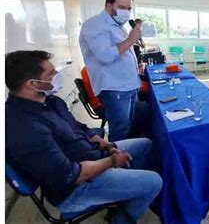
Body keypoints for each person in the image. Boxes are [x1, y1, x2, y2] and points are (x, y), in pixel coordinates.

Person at [5, 50, 162, 223]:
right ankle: (122, 219)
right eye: (51, 73)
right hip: (77, 188)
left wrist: (107, 146)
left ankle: (125, 192)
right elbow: (71, 176)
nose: (57, 75)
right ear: (32, 83)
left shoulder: (50, 101)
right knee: (154, 182)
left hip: (92, 156)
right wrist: (112, 162)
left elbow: (80, 128)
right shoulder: (24, 127)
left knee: (146, 144)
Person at [79, 0, 142, 142]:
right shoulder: (94, 25)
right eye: (122, 8)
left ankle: (131, 153)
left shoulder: (117, 25)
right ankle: (118, 160)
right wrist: (130, 40)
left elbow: (123, 52)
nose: (126, 12)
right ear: (109, 6)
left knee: (129, 125)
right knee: (120, 129)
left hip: (128, 86)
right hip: (114, 88)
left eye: (129, 9)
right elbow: (105, 56)